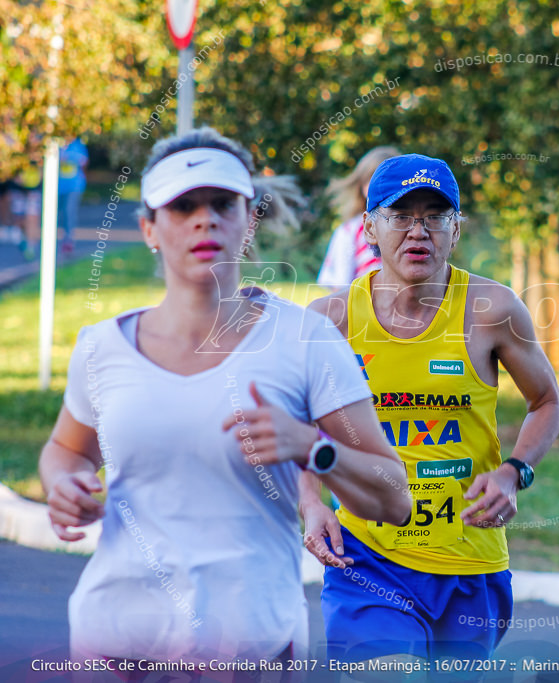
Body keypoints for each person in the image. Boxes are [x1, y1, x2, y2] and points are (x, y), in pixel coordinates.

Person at [39, 127, 411, 673]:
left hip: (250, 650)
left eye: (221, 203)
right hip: (113, 644)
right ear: (149, 228)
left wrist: (313, 446)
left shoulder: (305, 340)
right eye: (182, 206)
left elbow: (393, 498)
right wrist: (63, 485)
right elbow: (65, 451)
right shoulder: (102, 347)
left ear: (248, 218)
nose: (204, 219)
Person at [300, 154, 559, 668]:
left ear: (456, 229)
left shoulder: (493, 309)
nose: (418, 230)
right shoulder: (330, 318)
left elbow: (547, 401)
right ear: (370, 229)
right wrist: (311, 504)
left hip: (470, 562)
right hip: (367, 558)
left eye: (435, 216)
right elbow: (296, 423)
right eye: (400, 215)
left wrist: (515, 472)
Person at [316, 146, 399, 289]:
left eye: (390, 183)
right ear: (360, 185)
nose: (380, 189)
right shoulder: (349, 231)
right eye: (371, 181)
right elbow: (339, 287)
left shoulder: (412, 229)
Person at [57, 137, 89, 253]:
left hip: (74, 186)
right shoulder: (57, 144)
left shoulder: (78, 145)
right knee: (56, 214)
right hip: (58, 186)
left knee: (69, 212)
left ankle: (68, 239)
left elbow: (84, 162)